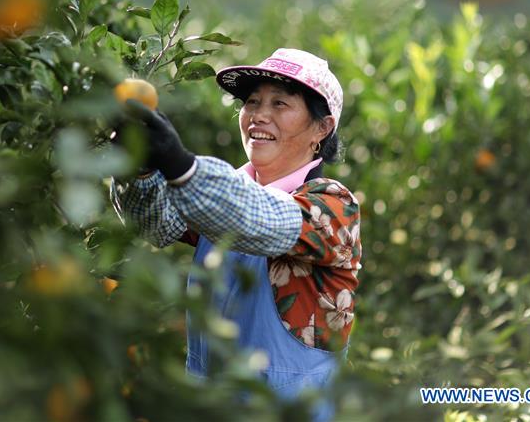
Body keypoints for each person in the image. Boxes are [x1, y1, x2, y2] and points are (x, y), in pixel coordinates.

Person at [110, 48, 361, 422]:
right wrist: (141, 169)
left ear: (321, 129)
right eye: (253, 102)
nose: (259, 115)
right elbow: (157, 224)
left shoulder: (333, 205)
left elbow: (263, 220)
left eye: (280, 104)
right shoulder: (225, 194)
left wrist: (182, 167)